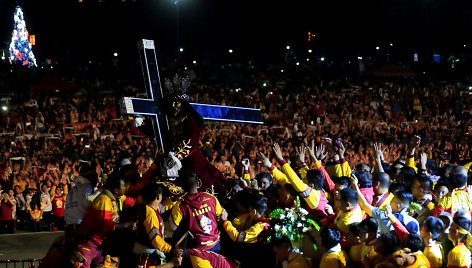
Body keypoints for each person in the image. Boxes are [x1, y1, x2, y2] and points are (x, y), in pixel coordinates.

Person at [72, 174, 136, 268]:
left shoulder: (118, 198)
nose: (125, 187)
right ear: (116, 190)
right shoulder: (104, 200)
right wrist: (126, 225)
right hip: (89, 242)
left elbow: (133, 202)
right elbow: (105, 224)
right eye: (123, 185)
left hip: (101, 245)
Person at [169, 170, 223, 252]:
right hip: (215, 244)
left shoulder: (180, 206)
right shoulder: (211, 198)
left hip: (198, 248)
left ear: (182, 187)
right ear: (198, 183)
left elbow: (172, 227)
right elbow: (220, 215)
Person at [352, 174, 419, 234]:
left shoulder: (385, 217)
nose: (389, 203)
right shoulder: (413, 222)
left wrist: (355, 185)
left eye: (392, 201)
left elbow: (364, 205)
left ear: (397, 206)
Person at [135, 183, 180, 267]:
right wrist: (170, 249)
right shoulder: (150, 216)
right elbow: (156, 239)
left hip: (150, 250)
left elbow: (163, 206)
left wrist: (174, 199)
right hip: (146, 254)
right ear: (158, 197)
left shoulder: (151, 207)